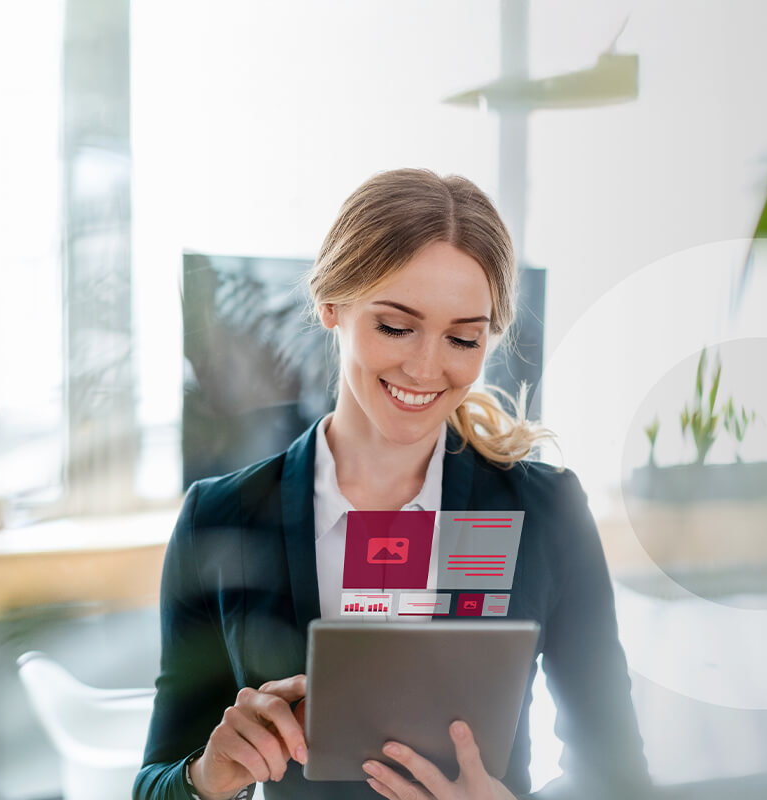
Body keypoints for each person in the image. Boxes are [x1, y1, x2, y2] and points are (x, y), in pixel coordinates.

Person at [134, 169, 651, 800]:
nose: (426, 367)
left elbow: (619, 775)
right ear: (333, 305)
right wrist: (207, 778)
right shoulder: (221, 518)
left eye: (462, 338)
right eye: (396, 327)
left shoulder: (545, 511)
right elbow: (155, 784)